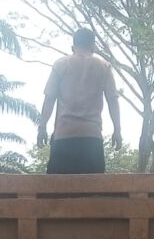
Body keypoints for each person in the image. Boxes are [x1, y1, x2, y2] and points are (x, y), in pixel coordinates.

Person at [37, 28, 123, 173]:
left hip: (64, 138)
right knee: (93, 193)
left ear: (73, 47)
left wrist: (42, 128)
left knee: (56, 192)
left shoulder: (61, 65)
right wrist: (117, 130)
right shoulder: (104, 67)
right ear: (93, 47)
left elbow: (49, 98)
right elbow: (113, 101)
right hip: (92, 139)